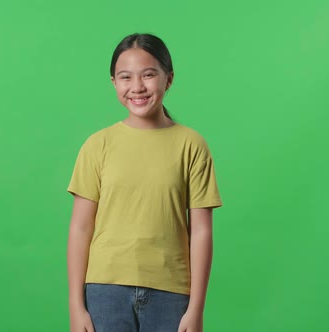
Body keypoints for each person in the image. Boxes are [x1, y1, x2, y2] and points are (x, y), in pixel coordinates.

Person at [66, 33, 222, 332]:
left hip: (171, 293)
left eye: (149, 75)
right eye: (126, 77)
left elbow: (201, 231)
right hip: (105, 291)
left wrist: (196, 309)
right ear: (114, 82)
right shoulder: (98, 145)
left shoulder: (191, 145)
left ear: (169, 78)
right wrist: (76, 305)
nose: (137, 87)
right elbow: (80, 227)